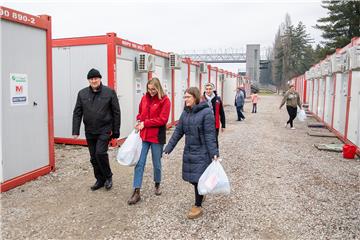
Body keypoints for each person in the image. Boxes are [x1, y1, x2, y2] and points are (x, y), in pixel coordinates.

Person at [164, 87, 219, 219]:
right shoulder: (185, 113)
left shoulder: (206, 113)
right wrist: (168, 148)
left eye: (188, 97)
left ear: (195, 97)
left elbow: (210, 135)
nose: (185, 99)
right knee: (193, 179)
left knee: (197, 178)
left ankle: (197, 205)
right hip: (190, 150)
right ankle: (201, 193)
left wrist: (214, 153)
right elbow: (178, 132)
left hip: (202, 151)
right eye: (185, 97)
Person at [72, 68, 121, 191]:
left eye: (96, 78)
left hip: (104, 129)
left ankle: (108, 177)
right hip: (89, 130)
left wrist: (116, 130)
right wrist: (75, 130)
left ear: (100, 79)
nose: (94, 80)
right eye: (91, 79)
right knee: (93, 157)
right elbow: (77, 112)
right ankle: (100, 179)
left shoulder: (109, 92)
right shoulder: (82, 93)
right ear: (89, 80)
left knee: (100, 153)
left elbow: (116, 112)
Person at [127, 77, 171, 205]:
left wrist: (145, 123)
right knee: (139, 163)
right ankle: (136, 191)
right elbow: (140, 113)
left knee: (156, 163)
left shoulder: (165, 101)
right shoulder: (144, 98)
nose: (151, 91)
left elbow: (162, 120)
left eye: (153, 89)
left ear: (158, 88)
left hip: (157, 137)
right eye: (149, 89)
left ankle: (157, 183)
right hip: (144, 136)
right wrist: (139, 120)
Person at [202, 83, 225, 148]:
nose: (208, 91)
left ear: (213, 89)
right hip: (204, 124)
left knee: (214, 140)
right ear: (205, 90)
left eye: (210, 89)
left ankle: (215, 156)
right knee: (204, 141)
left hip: (215, 124)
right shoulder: (201, 99)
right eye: (207, 89)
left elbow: (222, 112)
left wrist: (223, 125)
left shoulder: (217, 99)